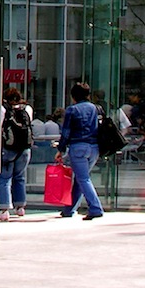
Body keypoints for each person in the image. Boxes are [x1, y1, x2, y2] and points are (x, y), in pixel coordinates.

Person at [55, 81, 104, 219]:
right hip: (94, 147)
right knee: (81, 178)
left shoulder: (72, 110)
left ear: (73, 96)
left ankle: (95, 207)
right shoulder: (96, 108)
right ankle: (69, 208)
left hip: (78, 148)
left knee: (83, 178)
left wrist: (60, 149)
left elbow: (66, 132)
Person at [0, 86, 33, 219]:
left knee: (4, 178)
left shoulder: (0, 108)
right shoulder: (27, 109)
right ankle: (20, 207)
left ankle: (4, 209)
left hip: (7, 148)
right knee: (20, 177)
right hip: (25, 149)